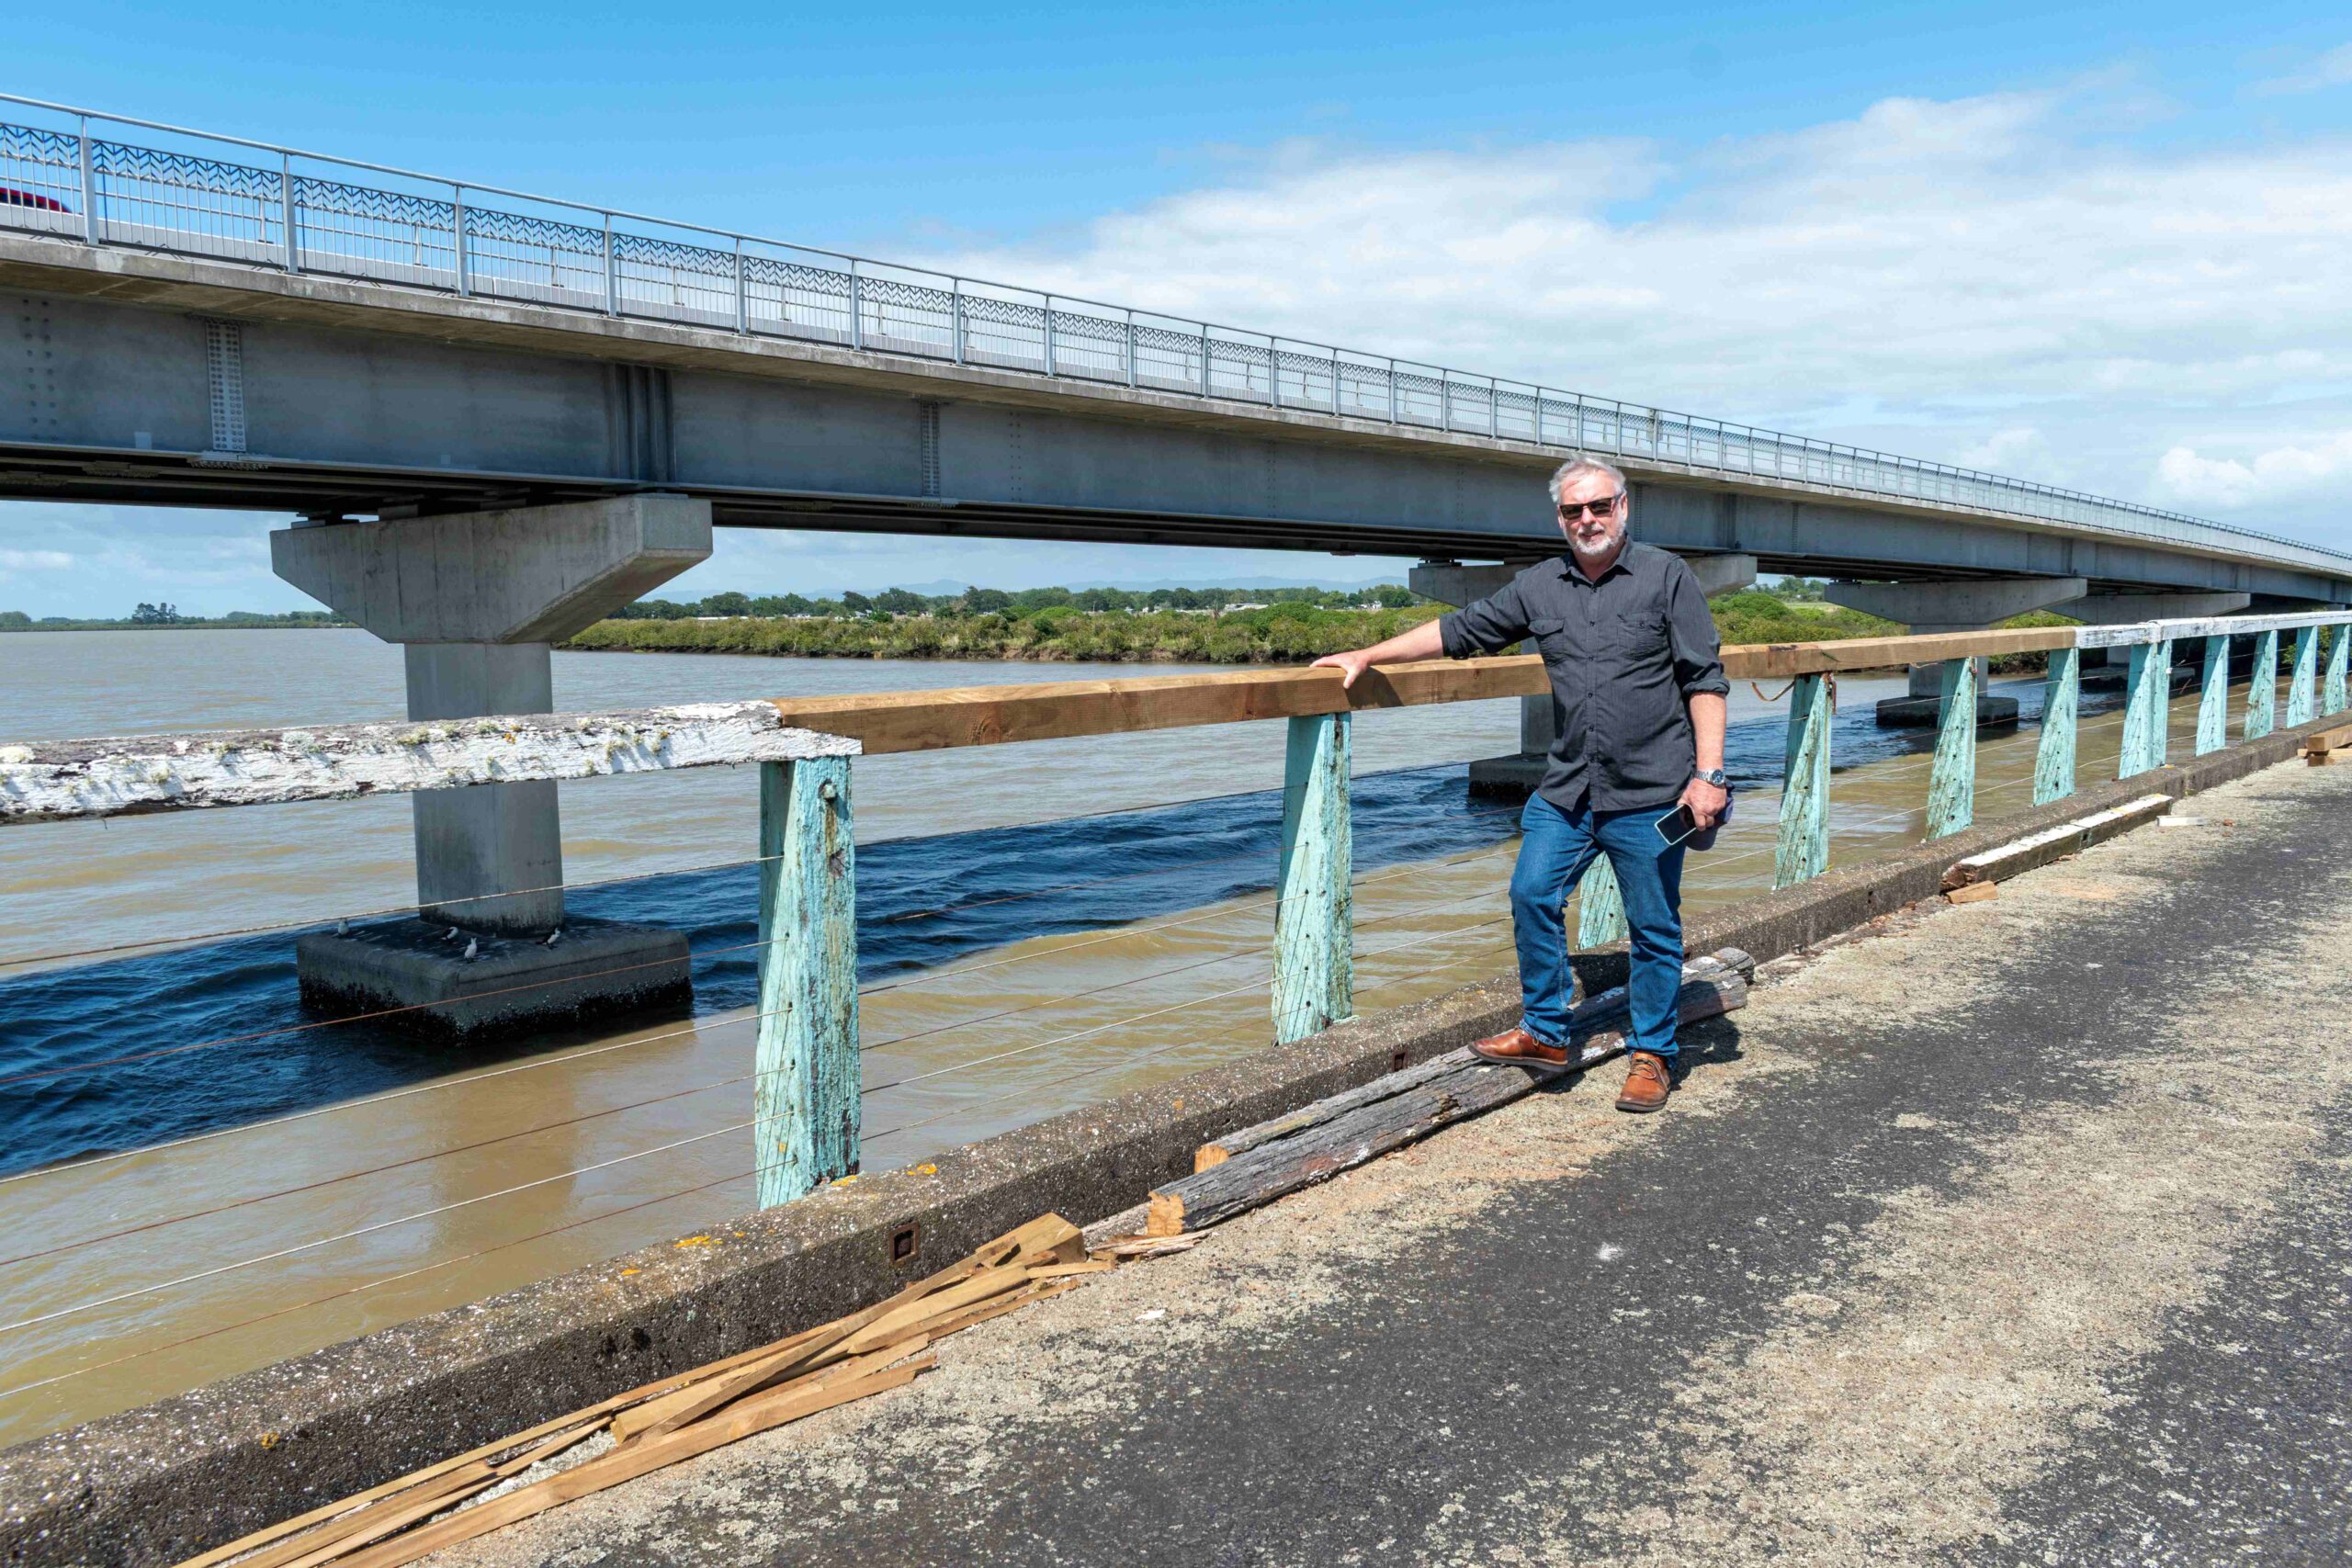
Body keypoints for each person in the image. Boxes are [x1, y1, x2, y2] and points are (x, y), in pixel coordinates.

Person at [1309, 457, 1729, 1112]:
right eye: (1573, 511)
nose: (1587, 519)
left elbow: (1704, 681)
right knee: (1531, 891)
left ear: (1624, 507)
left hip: (1651, 789)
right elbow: (1458, 631)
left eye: (1599, 506)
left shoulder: (1666, 577)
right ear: (1558, 518)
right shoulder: (1540, 586)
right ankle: (1547, 1031)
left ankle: (1653, 1052)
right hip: (1568, 789)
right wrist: (1370, 654)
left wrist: (1708, 777)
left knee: (1652, 925)